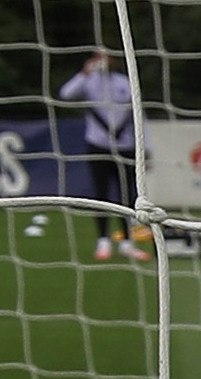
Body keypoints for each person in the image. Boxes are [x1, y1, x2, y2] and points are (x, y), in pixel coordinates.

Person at [55, 48, 140, 260]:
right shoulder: (89, 82)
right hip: (98, 145)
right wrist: (84, 72)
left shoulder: (125, 83)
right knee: (101, 194)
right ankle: (103, 241)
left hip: (126, 146)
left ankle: (127, 242)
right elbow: (66, 94)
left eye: (107, 57)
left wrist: (145, 147)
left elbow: (139, 115)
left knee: (127, 195)